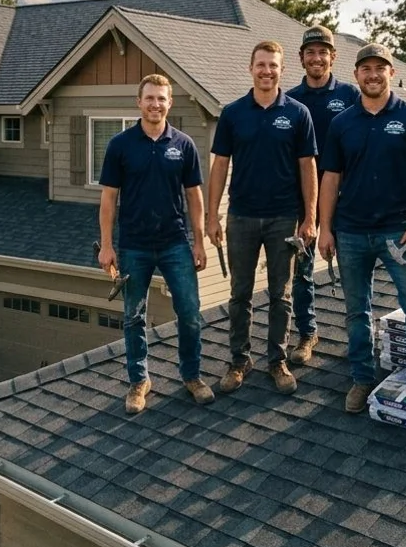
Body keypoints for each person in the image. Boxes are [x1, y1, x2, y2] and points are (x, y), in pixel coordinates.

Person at [317, 44, 406, 414]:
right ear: (357, 76)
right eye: (366, 69)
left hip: (399, 233)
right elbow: (330, 179)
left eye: (380, 68)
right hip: (350, 232)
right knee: (355, 311)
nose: (373, 75)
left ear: (390, 74)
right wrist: (325, 228)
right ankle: (362, 379)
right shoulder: (342, 123)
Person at [98, 74, 213, 414]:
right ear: (139, 102)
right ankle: (139, 381)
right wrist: (107, 245)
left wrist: (199, 242)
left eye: (161, 98)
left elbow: (194, 196)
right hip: (133, 245)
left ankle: (191, 376)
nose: (155, 104)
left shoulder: (184, 144)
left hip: (175, 242)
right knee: (134, 316)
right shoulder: (120, 145)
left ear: (169, 103)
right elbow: (108, 199)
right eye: (149, 98)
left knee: (190, 313)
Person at [206, 41, 317, 396]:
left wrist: (310, 217)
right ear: (250, 68)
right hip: (241, 216)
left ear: (282, 70)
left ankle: (277, 361)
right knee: (239, 294)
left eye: (273, 65)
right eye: (261, 65)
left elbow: (308, 166)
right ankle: (240, 361)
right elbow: (220, 164)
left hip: (284, 218)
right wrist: (212, 215)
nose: (267, 71)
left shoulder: (298, 113)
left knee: (281, 295)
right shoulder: (233, 113)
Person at [286, 25, 361, 364]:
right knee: (303, 272)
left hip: (348, 200)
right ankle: (307, 334)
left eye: (323, 52)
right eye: (310, 52)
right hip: (304, 203)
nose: (317, 57)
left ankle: (359, 339)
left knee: (355, 271)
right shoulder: (290, 100)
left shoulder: (349, 95)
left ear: (334, 56)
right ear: (302, 58)